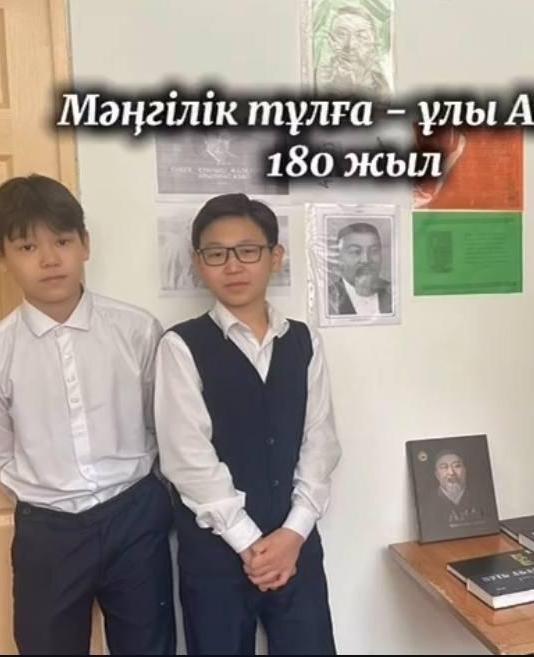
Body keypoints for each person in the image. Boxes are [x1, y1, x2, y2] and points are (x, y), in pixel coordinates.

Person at [0, 174, 175, 655]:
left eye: (62, 241)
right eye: (27, 247)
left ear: (85, 244)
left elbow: (159, 423)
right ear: (0, 256)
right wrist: (51, 495)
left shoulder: (137, 331)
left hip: (135, 516)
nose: (49, 259)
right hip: (49, 531)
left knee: (149, 646)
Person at [154, 193, 342, 654]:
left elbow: (320, 442)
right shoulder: (180, 346)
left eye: (248, 250)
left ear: (275, 257)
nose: (233, 266)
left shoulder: (304, 341)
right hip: (216, 555)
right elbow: (187, 459)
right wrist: (251, 545)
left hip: (296, 544)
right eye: (216, 254)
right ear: (199, 263)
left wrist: (294, 532)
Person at [314, 5, 390, 98]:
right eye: (342, 35)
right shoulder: (315, 79)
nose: (350, 45)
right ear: (330, 41)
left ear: (374, 44)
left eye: (361, 36)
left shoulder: (383, 86)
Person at [328, 222, 392, 316]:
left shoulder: (395, 293)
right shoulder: (326, 298)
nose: (365, 260)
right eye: (355, 252)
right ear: (338, 256)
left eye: (374, 251)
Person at [420, 450, 490, 531]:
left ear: (465, 470)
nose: (451, 473)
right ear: (437, 474)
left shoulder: (483, 498)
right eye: (444, 467)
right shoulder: (426, 504)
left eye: (457, 466)